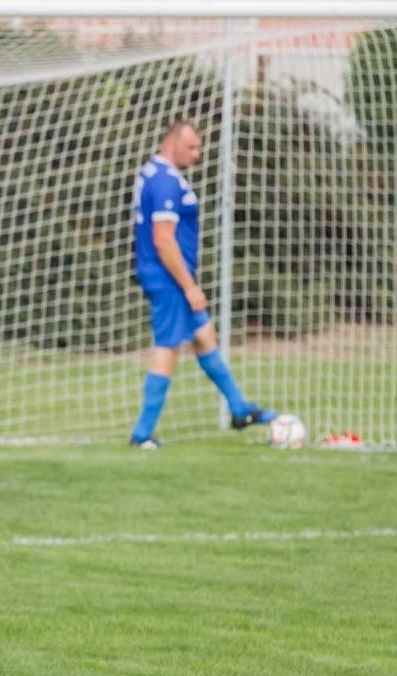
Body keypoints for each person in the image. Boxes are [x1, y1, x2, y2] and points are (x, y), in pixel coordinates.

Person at [130, 119, 274, 448]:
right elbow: (163, 240)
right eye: (191, 147)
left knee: (204, 335)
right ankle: (142, 434)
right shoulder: (165, 181)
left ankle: (238, 408)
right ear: (171, 144)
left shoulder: (151, 173)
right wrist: (189, 285)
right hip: (168, 279)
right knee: (168, 348)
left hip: (166, 276)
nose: (197, 154)